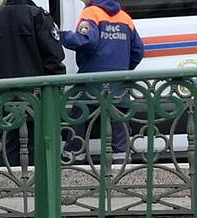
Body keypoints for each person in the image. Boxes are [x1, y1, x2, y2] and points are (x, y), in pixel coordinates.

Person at [0, 0, 65, 165]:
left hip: (6, 96)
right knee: (36, 144)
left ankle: (11, 186)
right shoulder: (38, 15)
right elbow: (54, 57)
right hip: (36, 96)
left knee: (9, 143)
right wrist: (54, 88)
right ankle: (35, 187)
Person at [61, 0, 144, 162]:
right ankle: (121, 165)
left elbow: (86, 41)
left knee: (79, 118)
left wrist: (61, 36)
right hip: (118, 83)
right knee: (119, 127)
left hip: (92, 81)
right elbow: (138, 51)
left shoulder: (91, 13)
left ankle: (74, 160)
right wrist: (122, 69)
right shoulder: (125, 17)